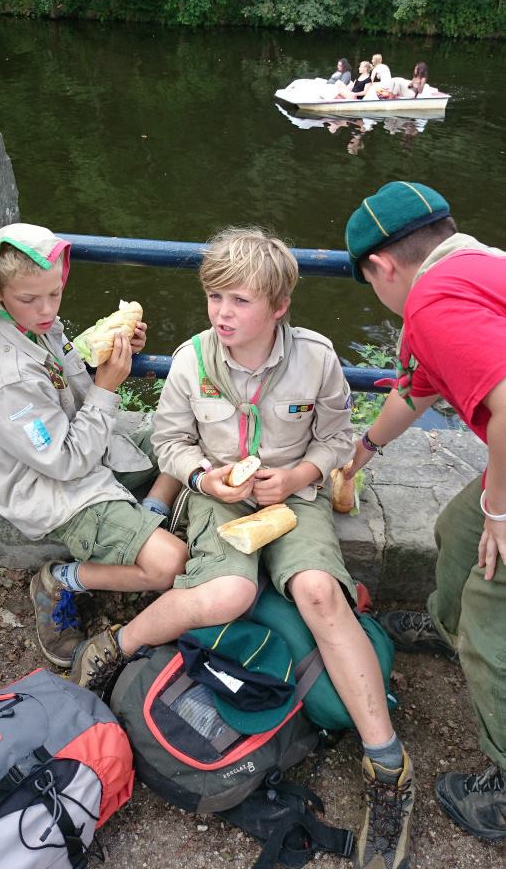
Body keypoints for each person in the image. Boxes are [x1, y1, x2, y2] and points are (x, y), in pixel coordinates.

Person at [71, 227, 415, 869]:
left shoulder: (315, 358)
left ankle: (389, 767)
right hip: (213, 496)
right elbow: (169, 441)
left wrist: (298, 477)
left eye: (239, 301)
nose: (223, 314)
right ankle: (112, 650)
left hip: (295, 498)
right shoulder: (192, 360)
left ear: (278, 306)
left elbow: (339, 439)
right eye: (214, 299)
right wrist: (204, 478)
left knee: (318, 592)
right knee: (228, 593)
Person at [344, 181, 506, 843]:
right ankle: (447, 626)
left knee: (493, 618)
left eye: (369, 284)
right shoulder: (475, 268)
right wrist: (360, 453)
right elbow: (417, 388)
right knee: (456, 530)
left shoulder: (436, 302)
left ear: (382, 267)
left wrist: (500, 509)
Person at [0, 223, 188, 669]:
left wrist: (100, 354)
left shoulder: (36, 327)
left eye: (55, 293)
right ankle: (59, 581)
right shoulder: (5, 381)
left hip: (93, 451)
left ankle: (148, 516)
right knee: (171, 563)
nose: (46, 309)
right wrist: (107, 388)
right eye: (29, 299)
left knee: (185, 434)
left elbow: (64, 376)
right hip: (56, 489)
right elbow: (63, 462)